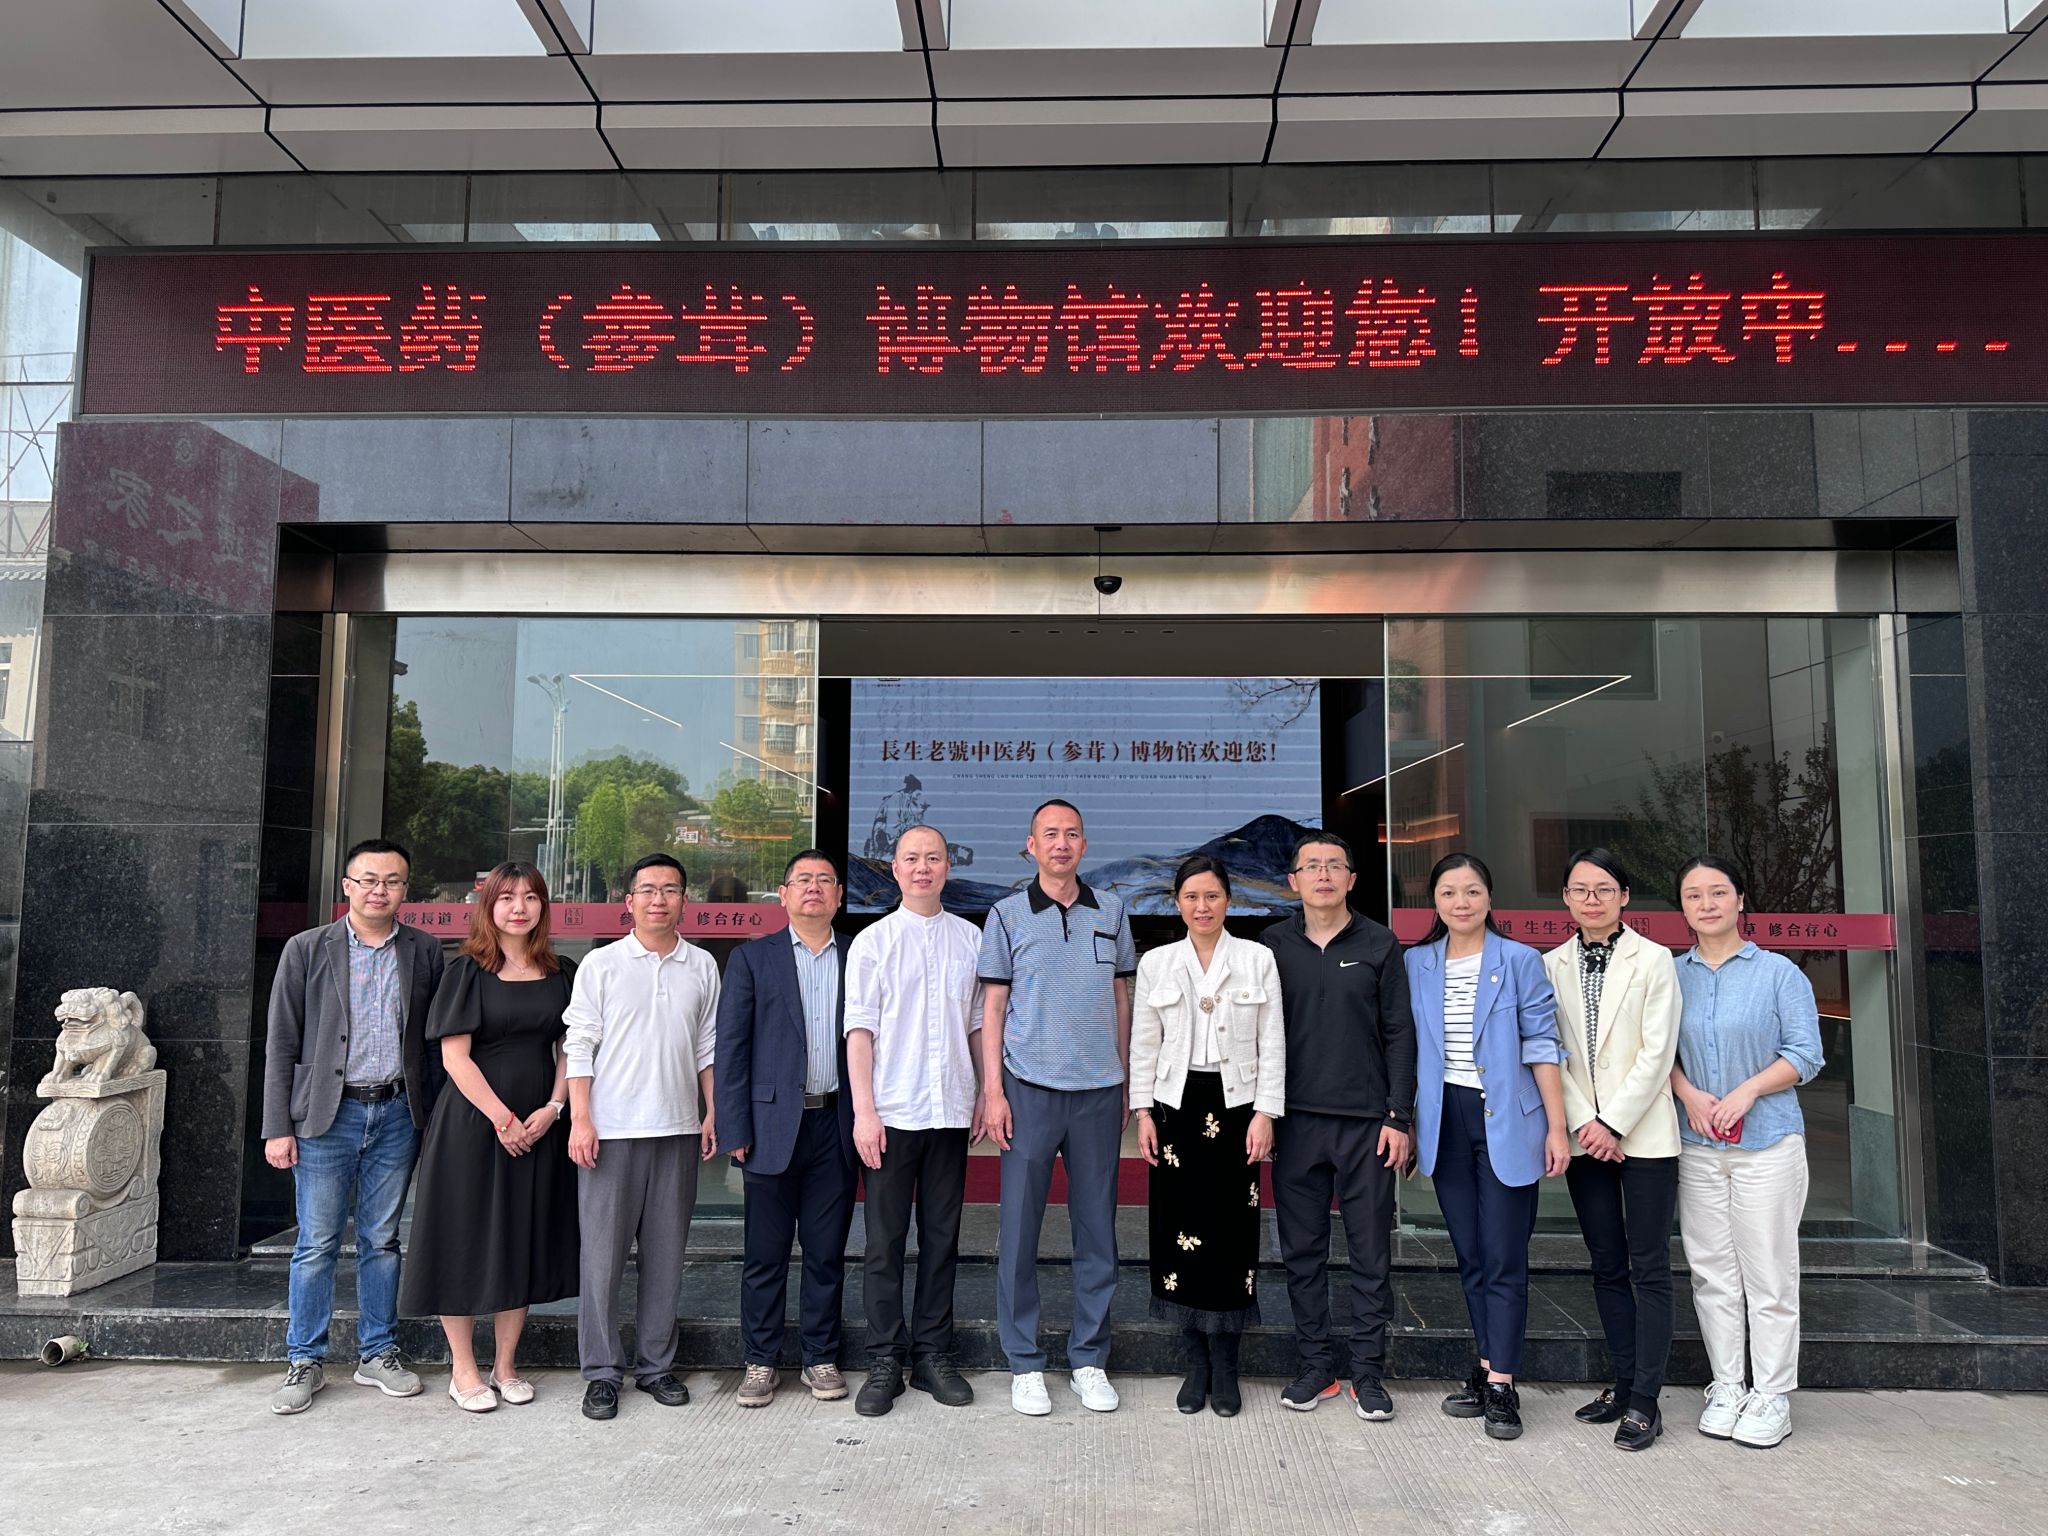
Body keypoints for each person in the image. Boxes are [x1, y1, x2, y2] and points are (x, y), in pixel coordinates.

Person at [261, 838, 445, 1415]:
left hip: (397, 1113)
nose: (378, 890)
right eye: (368, 879)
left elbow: (433, 1044)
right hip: (326, 1116)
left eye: (391, 881)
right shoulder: (306, 948)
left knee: (381, 1240)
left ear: (405, 890)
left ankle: (378, 1352)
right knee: (316, 1242)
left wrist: (434, 1117)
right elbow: (281, 1041)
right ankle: (304, 1359)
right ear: (347, 886)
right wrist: (277, 1126)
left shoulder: (424, 951)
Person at [399, 861, 579, 1412]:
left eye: (530, 897)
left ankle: (505, 1364)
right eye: (507, 897)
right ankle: (463, 1368)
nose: (519, 907)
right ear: (489, 906)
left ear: (544, 905)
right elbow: (454, 1057)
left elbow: (572, 1047)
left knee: (520, 1236)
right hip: (473, 1123)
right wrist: (502, 1119)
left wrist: (554, 1107)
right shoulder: (467, 971)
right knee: (463, 1236)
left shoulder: (562, 971)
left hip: (539, 1123)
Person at [978, 798, 1135, 1417]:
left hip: (1098, 1091)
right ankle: (1024, 1362)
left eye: (1072, 834)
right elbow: (993, 1006)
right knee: (1019, 1230)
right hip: (1028, 1088)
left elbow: (1120, 997)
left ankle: (1089, 1358)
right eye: (1050, 834)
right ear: (1032, 845)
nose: (1061, 843)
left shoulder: (1112, 910)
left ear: (1084, 845)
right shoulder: (1007, 914)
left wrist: (1126, 1079)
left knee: (1097, 1230)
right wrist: (993, 1090)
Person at [1406, 852, 1569, 1442]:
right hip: (1444, 1120)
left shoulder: (1520, 960)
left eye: (1472, 891)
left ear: (1489, 898)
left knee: (1503, 1256)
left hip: (1505, 1120)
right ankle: (1485, 1364)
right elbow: (1407, 1046)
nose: (1461, 902)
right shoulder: (1416, 963)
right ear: (1435, 902)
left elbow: (1542, 1044)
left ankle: (1502, 1383)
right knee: (1471, 1254)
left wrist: (1557, 1128)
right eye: (1449, 892)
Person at [1670, 855, 1824, 1451]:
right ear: (1682, 908)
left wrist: (1747, 1091)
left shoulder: (1780, 974)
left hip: (1768, 1144)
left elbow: (1805, 1054)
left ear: (1740, 900)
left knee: (1769, 1271)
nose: (1706, 904)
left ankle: (1773, 1394)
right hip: (1696, 1144)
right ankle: (1728, 1385)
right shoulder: (1670, 975)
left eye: (1717, 892)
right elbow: (1657, 1052)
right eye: (1693, 895)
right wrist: (1689, 1094)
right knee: (1712, 1271)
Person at [1260, 831, 1415, 1422]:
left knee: (1371, 1253)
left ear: (1352, 878)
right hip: (1295, 1122)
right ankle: (1315, 1366)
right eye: (1311, 866)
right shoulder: (1272, 945)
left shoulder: (1380, 943)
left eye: (1334, 865)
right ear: (1293, 881)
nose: (1322, 875)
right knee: (1302, 1253)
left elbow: (1400, 1033)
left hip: (1366, 1124)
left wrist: (1399, 1116)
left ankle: (1369, 1373)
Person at [564, 853, 721, 1421]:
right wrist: (581, 1118)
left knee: (666, 1257)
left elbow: (707, 1045)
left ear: (685, 900)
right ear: (628, 901)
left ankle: (656, 1366)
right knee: (601, 1262)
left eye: (670, 889)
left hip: (676, 1129)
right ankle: (602, 1373)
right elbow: (579, 1043)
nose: (660, 899)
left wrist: (713, 1110)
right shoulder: (601, 964)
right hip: (610, 1133)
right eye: (648, 890)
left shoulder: (702, 965)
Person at [1131, 855, 1285, 1418]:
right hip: (1175, 1106)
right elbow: (1144, 1042)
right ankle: (1195, 1361)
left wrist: (1267, 1112)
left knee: (1231, 1233)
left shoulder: (1256, 958)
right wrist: (1142, 1112)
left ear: (1228, 901)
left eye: (1213, 896)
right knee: (1177, 1231)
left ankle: (1227, 1363)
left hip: (1238, 1106)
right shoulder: (1157, 963)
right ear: (1177, 903)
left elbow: (1273, 1040)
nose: (1203, 906)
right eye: (1192, 897)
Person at [1543, 848, 1681, 1452]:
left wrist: (1614, 1123)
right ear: (1566, 898)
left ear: (1624, 896)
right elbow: (1550, 1050)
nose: (1591, 899)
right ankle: (1623, 1384)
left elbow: (1658, 1052)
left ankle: (1647, 1399)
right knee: (1606, 1262)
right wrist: (1585, 1123)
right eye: (1580, 889)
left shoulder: (1655, 959)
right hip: (1585, 1141)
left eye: (1603, 889)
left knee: (1648, 1265)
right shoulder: (1549, 965)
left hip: (1643, 1136)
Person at [844, 824, 983, 1416]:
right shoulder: (872, 942)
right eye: (911, 858)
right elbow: (859, 1031)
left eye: (933, 858)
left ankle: (931, 1354)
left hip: (950, 1109)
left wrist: (987, 1093)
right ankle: (884, 1358)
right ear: (894, 869)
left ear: (948, 867)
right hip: (892, 1112)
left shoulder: (972, 939)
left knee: (942, 1239)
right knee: (884, 1242)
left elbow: (976, 1025)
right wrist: (864, 1112)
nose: (922, 867)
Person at [716, 850, 858, 1409]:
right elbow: (732, 1049)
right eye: (803, 880)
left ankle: (820, 1356)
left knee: (826, 1252)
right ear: (783, 895)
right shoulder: (753, 959)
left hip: (837, 1123)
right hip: (771, 1125)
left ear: (840, 896)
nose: (814, 888)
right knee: (765, 1254)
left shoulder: (860, 954)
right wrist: (734, 1126)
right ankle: (760, 1360)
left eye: (825, 881)